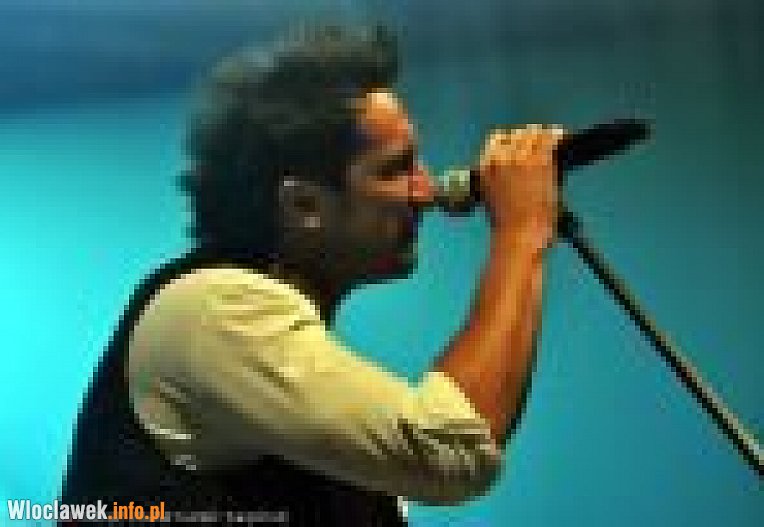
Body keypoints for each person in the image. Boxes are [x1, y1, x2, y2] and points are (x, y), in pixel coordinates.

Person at [60, 25, 563, 526]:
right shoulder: (210, 310)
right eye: (396, 169)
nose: (426, 191)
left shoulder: (311, 402)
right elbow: (453, 451)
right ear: (304, 205)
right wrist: (520, 234)